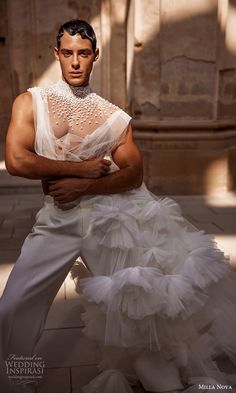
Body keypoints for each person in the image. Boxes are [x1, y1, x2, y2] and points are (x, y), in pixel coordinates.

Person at [0, 18, 236, 393]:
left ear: (95, 56)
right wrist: (82, 170)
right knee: (15, 304)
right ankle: (15, 380)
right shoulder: (31, 102)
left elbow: (134, 174)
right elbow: (17, 160)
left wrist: (84, 187)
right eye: (67, 53)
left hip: (108, 223)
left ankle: (161, 378)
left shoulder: (113, 116)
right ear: (56, 55)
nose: (75, 62)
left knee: (133, 306)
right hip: (57, 220)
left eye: (83, 54)